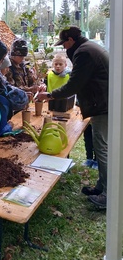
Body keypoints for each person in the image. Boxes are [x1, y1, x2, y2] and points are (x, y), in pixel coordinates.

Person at [36, 26, 109, 209]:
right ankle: (101, 187)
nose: (65, 48)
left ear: (70, 41)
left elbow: (73, 85)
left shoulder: (83, 53)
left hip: (103, 105)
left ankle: (108, 195)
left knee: (101, 148)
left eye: (65, 44)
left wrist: (50, 95)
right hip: (103, 102)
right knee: (101, 146)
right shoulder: (89, 48)